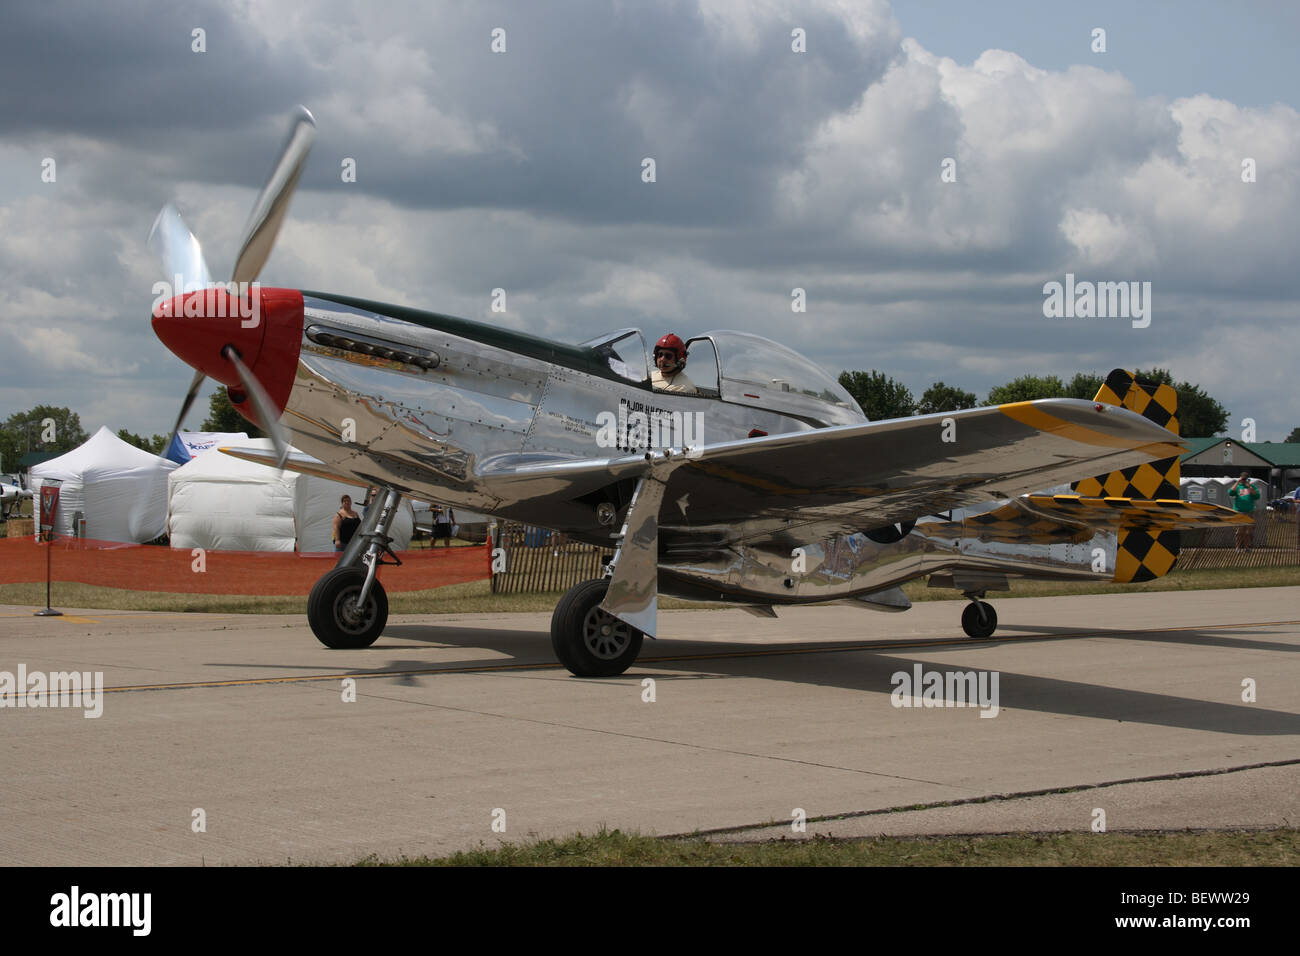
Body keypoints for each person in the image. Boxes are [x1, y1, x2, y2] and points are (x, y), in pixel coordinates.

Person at [1228, 472, 1260, 552]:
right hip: (1239, 511)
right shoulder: (1238, 487)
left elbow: (1257, 496)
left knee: (1248, 531)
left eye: (1245, 479)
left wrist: (1249, 487)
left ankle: (1247, 547)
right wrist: (1237, 482)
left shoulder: (1251, 487)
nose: (1243, 480)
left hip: (1249, 511)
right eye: (1242, 478)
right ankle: (1238, 547)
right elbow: (1230, 492)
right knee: (1239, 531)